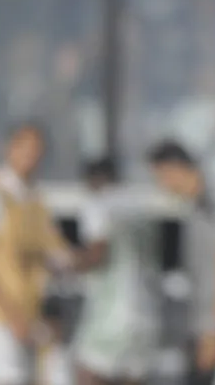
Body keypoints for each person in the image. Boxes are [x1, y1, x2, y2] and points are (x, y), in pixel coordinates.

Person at [0, 121, 73, 385]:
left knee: (40, 369)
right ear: (10, 148)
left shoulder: (35, 199)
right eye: (25, 148)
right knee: (7, 374)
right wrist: (11, 313)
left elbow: (58, 253)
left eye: (37, 150)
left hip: (28, 308)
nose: (31, 156)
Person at [148, 140, 215, 385]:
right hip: (205, 328)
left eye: (161, 176)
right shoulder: (196, 207)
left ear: (174, 168)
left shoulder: (213, 204)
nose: (161, 185)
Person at [71, 156, 161, 385]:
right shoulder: (140, 208)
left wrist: (67, 263)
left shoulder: (99, 203)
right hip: (147, 317)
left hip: (113, 316)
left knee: (87, 370)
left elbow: (97, 254)